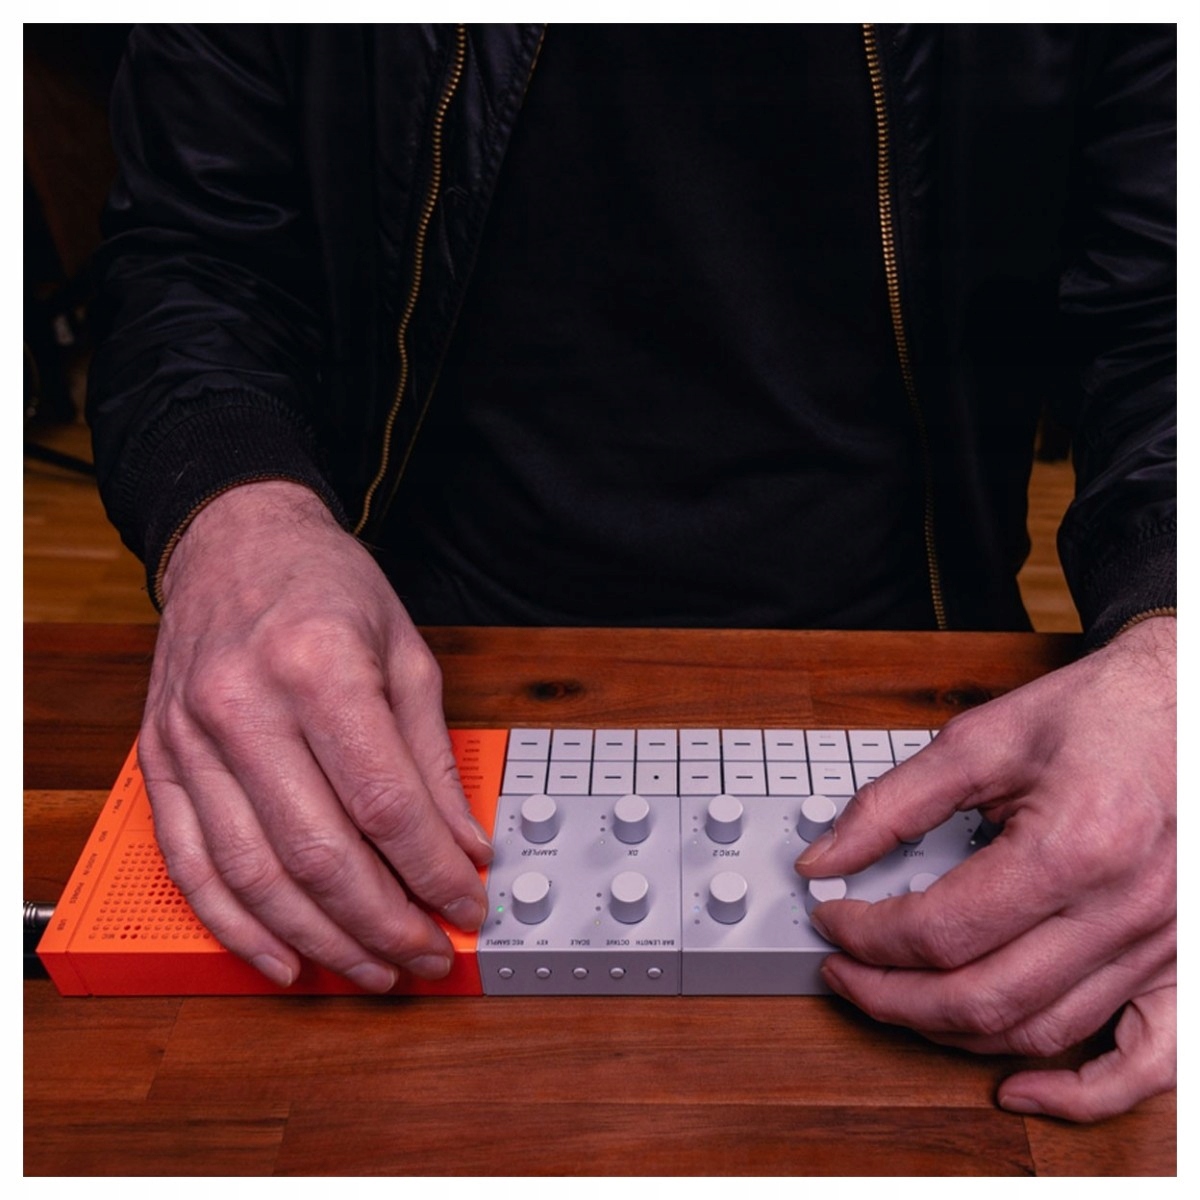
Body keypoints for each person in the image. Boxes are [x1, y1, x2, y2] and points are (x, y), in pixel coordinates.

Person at [86, 25, 1175, 1123]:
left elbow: (1163, 315)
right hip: (393, 667)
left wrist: (1174, 647)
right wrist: (236, 516)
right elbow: (193, 249)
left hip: (921, 670)